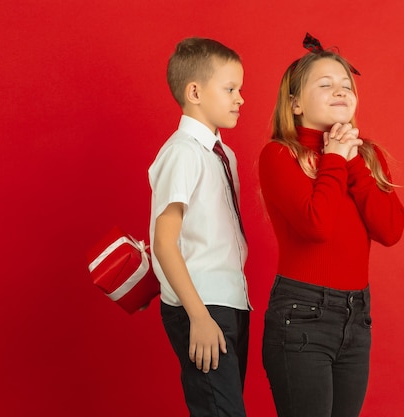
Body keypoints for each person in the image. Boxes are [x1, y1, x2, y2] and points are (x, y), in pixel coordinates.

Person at [259, 33, 404, 417]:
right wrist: (335, 158)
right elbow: (317, 225)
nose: (339, 91)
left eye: (346, 86)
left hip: (357, 315)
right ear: (294, 104)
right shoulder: (279, 155)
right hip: (302, 313)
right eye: (325, 85)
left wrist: (353, 160)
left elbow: (391, 230)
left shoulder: (366, 156)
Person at [148, 37, 250, 417]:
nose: (240, 98)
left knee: (226, 406)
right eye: (230, 89)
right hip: (202, 304)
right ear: (195, 92)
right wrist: (199, 316)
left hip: (231, 300)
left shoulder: (225, 156)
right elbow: (164, 242)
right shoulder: (182, 152)